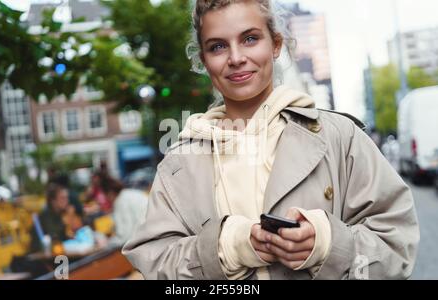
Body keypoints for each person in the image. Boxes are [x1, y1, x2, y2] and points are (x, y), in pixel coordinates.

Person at [123, 0, 419, 280]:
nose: (236, 58)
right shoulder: (178, 163)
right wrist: (227, 247)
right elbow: (155, 261)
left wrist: (328, 244)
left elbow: (396, 244)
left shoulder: (340, 136)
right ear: (204, 60)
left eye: (250, 38)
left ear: (276, 44)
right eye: (218, 46)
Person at [30, 183, 83, 252]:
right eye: (62, 198)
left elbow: (68, 236)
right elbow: (56, 239)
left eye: (67, 198)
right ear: (53, 201)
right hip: (44, 257)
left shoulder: (60, 215)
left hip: (57, 254)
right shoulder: (46, 217)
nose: (67, 201)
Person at [101, 177, 148, 246]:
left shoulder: (120, 201)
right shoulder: (129, 193)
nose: (107, 199)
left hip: (146, 237)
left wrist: (107, 243)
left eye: (106, 196)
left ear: (110, 193)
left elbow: (125, 236)